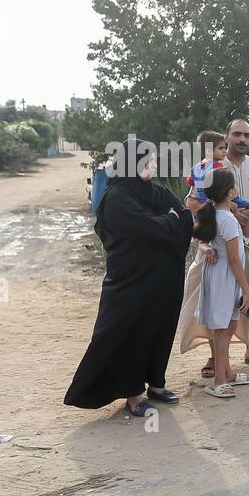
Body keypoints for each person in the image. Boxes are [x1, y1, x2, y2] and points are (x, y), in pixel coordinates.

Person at [65, 138, 194, 415]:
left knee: (160, 330)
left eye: (154, 159)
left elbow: (185, 218)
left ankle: (156, 385)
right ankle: (134, 394)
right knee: (132, 334)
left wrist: (169, 222)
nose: (153, 165)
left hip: (164, 280)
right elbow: (143, 230)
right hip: (131, 283)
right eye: (148, 160)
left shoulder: (156, 192)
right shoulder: (118, 197)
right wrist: (168, 221)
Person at [180, 120, 249, 373]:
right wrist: (223, 215)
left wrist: (246, 215)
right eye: (237, 134)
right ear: (226, 137)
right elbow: (191, 202)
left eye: (247, 135)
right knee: (213, 293)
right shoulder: (211, 166)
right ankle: (216, 357)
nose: (242, 139)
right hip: (216, 243)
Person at [193, 168, 249, 398]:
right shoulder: (226, 219)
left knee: (227, 326)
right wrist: (246, 289)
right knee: (223, 330)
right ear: (231, 192)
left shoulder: (216, 215)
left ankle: (226, 372)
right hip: (225, 279)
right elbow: (235, 258)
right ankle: (218, 380)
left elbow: (202, 241)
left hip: (221, 277)